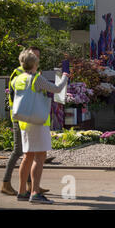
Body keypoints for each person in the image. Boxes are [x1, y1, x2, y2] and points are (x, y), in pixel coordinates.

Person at [13, 49, 68, 204]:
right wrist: (65, 77)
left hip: (24, 122)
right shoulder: (36, 78)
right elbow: (57, 89)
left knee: (27, 156)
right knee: (40, 156)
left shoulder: (17, 79)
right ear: (35, 64)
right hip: (38, 121)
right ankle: (35, 193)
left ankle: (22, 191)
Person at [0, 47, 50, 196]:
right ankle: (6, 183)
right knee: (19, 151)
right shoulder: (19, 73)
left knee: (29, 153)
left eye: (38, 56)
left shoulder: (32, 74)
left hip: (29, 117)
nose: (37, 59)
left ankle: (31, 185)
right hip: (21, 117)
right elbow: (19, 97)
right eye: (35, 56)